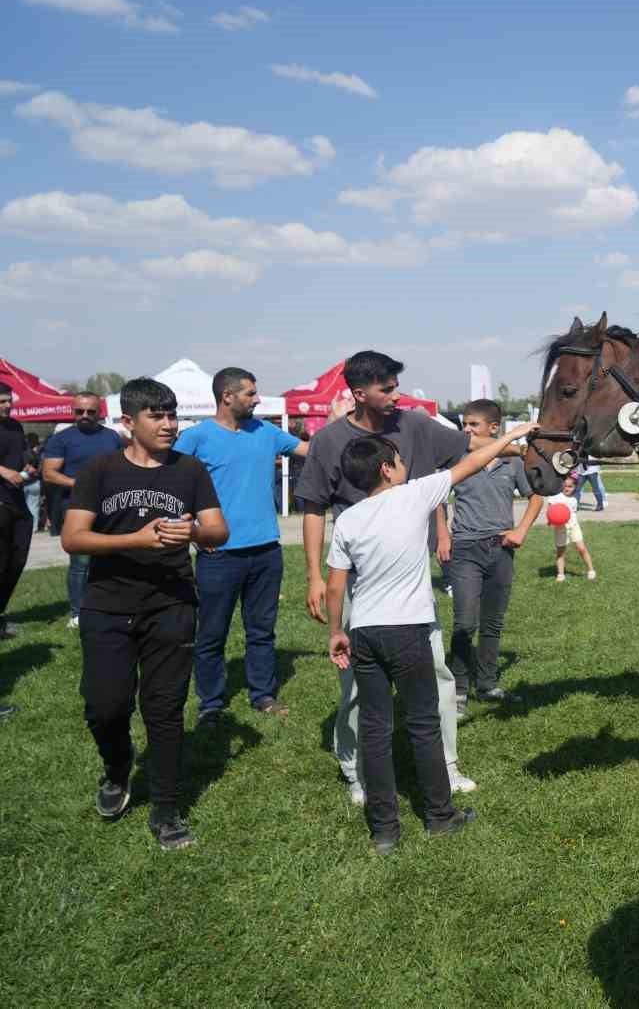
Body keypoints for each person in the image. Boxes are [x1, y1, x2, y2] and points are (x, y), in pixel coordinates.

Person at [296, 350, 494, 802]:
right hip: (353, 580)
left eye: (395, 386)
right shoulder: (329, 441)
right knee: (356, 683)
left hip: (410, 578)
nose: (396, 395)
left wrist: (525, 443)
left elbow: (467, 452)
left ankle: (445, 766)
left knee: (437, 671)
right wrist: (314, 577)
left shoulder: (416, 426)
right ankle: (357, 770)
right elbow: (312, 508)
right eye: (387, 388)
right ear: (359, 393)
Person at [326, 417, 531, 853]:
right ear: (386, 469)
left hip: (363, 631)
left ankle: (384, 830)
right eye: (398, 460)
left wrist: (335, 632)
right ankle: (440, 816)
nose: (404, 465)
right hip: (408, 630)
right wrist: (509, 438)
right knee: (423, 724)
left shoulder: (347, 519)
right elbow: (473, 461)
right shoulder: (414, 495)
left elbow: (336, 585)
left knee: (376, 730)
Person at [61, 378, 228, 849]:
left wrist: (192, 533)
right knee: (105, 705)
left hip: (172, 603)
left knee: (165, 709)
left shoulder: (190, 471)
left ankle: (166, 811)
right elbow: (73, 538)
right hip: (108, 605)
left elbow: (218, 529)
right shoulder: (100, 471)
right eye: (157, 416)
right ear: (128, 422)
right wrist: (138, 539)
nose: (169, 424)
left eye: (172, 415)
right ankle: (117, 768)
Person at [173, 367, 310, 724]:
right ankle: (212, 704)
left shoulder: (265, 431)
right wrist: (194, 531)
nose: (257, 399)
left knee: (262, 631)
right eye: (250, 393)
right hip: (218, 555)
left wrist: (346, 425)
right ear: (227, 396)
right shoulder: (196, 438)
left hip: (266, 551)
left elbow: (310, 450)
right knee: (211, 633)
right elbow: (171, 483)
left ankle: (262, 695)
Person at [447, 399, 542, 711]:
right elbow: (436, 497)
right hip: (464, 547)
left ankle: (487, 685)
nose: (466, 430)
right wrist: (441, 535)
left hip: (501, 549)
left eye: (473, 425)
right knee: (464, 622)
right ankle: (458, 690)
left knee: (493, 622)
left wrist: (521, 531)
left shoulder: (513, 463)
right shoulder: (458, 458)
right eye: (465, 424)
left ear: (493, 428)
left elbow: (536, 498)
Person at [41, 392, 124, 628]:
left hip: (111, 506)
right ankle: (77, 613)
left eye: (90, 411)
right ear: (73, 411)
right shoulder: (61, 439)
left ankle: (111, 604)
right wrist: (83, 484)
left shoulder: (112, 437)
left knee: (114, 556)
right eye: (79, 411)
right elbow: (49, 473)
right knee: (81, 562)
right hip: (76, 507)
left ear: (100, 412)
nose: (85, 416)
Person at [0, 381, 36, 643]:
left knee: (17, 558)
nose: (8, 405)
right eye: (1, 401)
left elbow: (23, 456)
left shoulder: (15, 426)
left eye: (9, 400)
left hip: (16, 500)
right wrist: (3, 471)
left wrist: (29, 466)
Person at [547, 474, 596, 582]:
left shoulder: (574, 500)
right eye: (565, 486)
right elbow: (550, 510)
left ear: (574, 488)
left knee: (581, 548)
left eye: (570, 486)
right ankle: (560, 574)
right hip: (560, 528)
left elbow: (572, 513)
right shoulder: (555, 497)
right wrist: (550, 520)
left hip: (573, 526)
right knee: (561, 552)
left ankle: (591, 570)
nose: (567, 488)